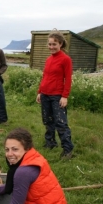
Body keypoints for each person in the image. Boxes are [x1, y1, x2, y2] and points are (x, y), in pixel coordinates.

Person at [36, 29, 74, 160]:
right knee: (47, 121)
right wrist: (40, 92)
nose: (51, 47)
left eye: (54, 44)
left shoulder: (66, 59)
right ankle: (50, 143)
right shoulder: (48, 59)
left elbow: (68, 79)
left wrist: (65, 96)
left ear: (61, 44)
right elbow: (45, 76)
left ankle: (68, 149)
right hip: (45, 94)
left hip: (57, 95)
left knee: (61, 123)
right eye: (50, 44)